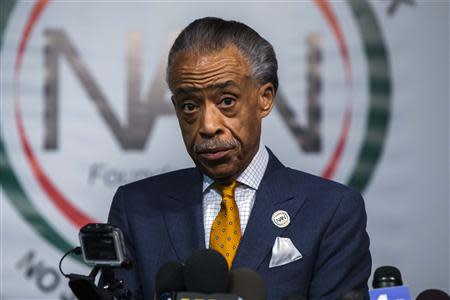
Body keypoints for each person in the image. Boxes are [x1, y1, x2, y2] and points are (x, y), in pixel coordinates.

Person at [107, 17, 371, 300]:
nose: (208, 126)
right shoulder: (135, 209)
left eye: (227, 101)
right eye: (189, 106)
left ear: (265, 98)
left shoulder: (331, 210)